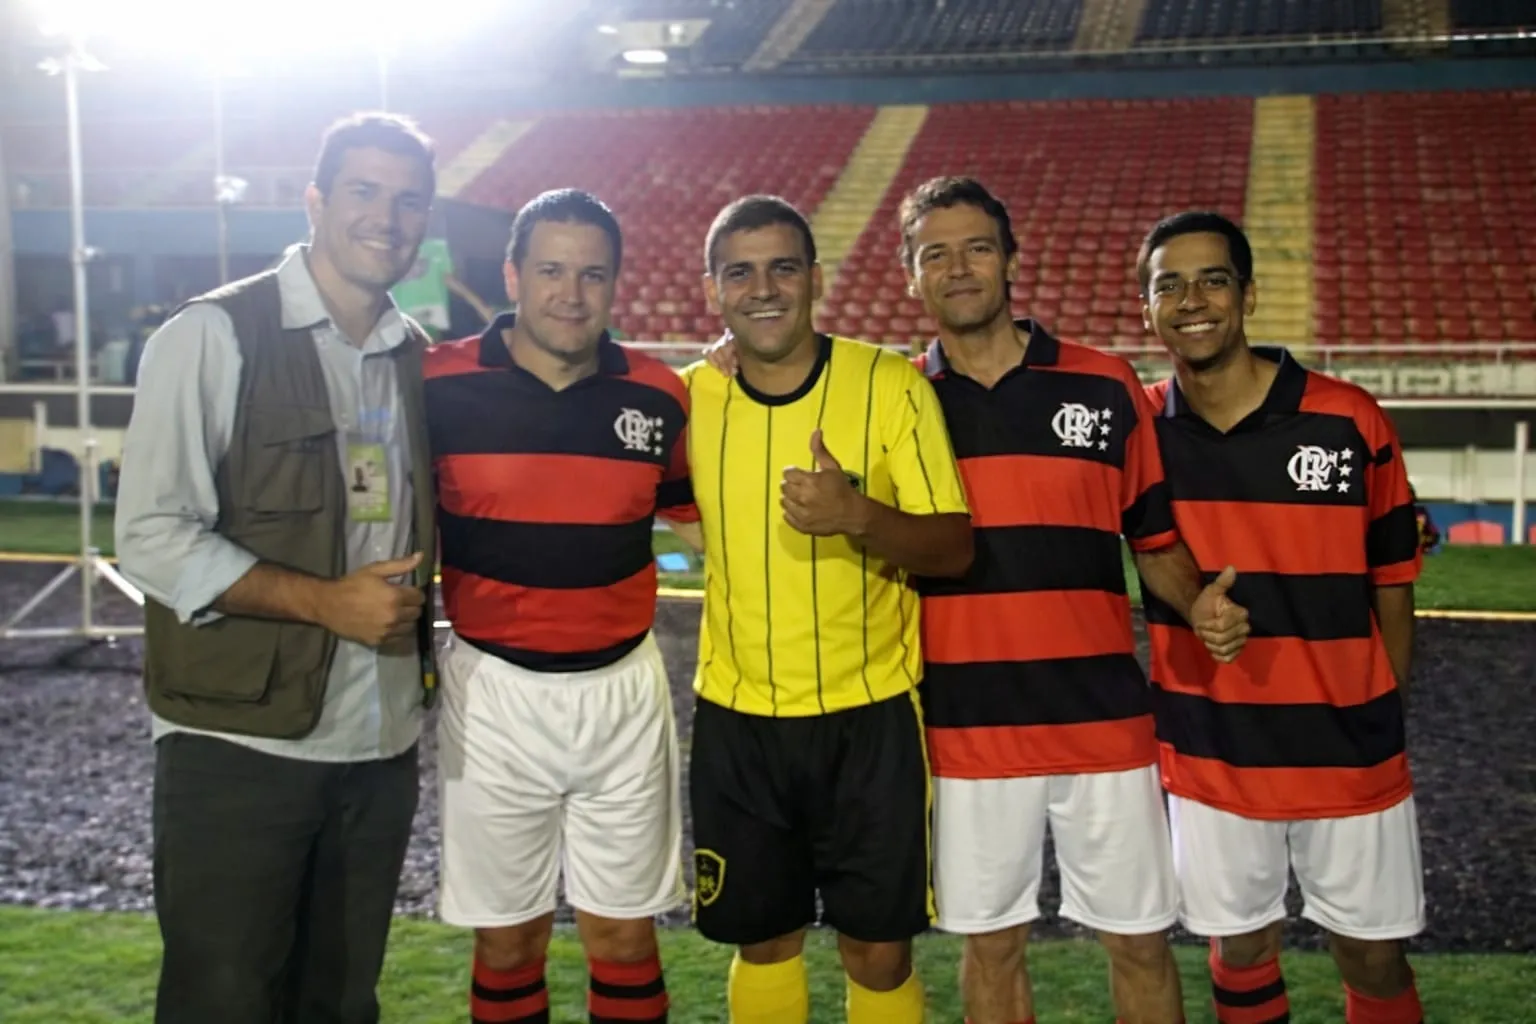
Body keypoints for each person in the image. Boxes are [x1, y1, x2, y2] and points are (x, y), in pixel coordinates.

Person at [704, 177, 1251, 1024]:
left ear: (1011, 259)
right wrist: (727, 353)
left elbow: (1153, 544)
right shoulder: (891, 393)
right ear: (908, 274)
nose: (958, 269)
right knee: (991, 949)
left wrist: (1200, 605)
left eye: (977, 248)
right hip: (964, 728)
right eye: (935, 254)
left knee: (1139, 943)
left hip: (1102, 721)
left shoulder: (1105, 385)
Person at [115, 112, 440, 1024]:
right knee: (225, 1003)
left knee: (340, 1005)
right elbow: (148, 534)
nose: (387, 217)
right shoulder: (213, 334)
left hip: (379, 750)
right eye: (364, 193)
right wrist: (323, 603)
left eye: (408, 200)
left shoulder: (414, 357)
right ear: (315, 203)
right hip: (240, 749)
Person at [681, 195, 974, 1024]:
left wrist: (860, 517)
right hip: (738, 719)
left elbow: (953, 547)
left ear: (816, 279)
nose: (763, 288)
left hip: (871, 716)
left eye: (783, 268)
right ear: (713, 291)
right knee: (764, 941)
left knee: (877, 950)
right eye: (740, 272)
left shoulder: (889, 385)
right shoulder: (691, 397)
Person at [1137, 211, 1426, 1024]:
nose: (1191, 299)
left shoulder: (1349, 418)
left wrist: (1378, 704)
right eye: (1169, 284)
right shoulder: (1139, 432)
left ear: (1249, 294)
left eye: (1213, 279)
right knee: (1241, 948)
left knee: (1372, 956)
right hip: (1211, 747)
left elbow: (1394, 586)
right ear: (1146, 307)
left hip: (1347, 747)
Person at [424, 188, 697, 1024]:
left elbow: (698, 519)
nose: (570, 294)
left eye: (591, 274)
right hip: (494, 691)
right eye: (549, 270)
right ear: (512, 274)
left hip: (622, 688)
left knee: (625, 936)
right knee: (508, 941)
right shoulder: (436, 382)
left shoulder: (659, 395)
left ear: (615, 284)